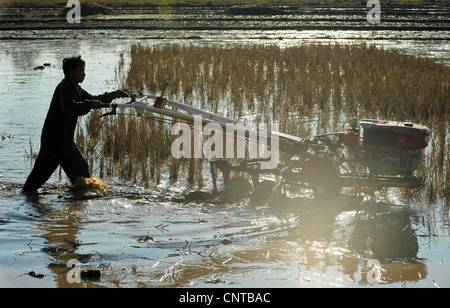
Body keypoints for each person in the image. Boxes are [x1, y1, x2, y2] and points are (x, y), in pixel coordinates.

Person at [22, 55, 127, 193]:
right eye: (81, 71)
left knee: (82, 173)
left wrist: (114, 94)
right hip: (53, 143)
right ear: (71, 72)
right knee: (33, 184)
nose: (84, 74)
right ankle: (25, 207)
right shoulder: (64, 88)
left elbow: (93, 99)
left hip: (65, 141)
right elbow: (70, 108)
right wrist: (89, 105)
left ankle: (76, 203)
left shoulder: (76, 88)